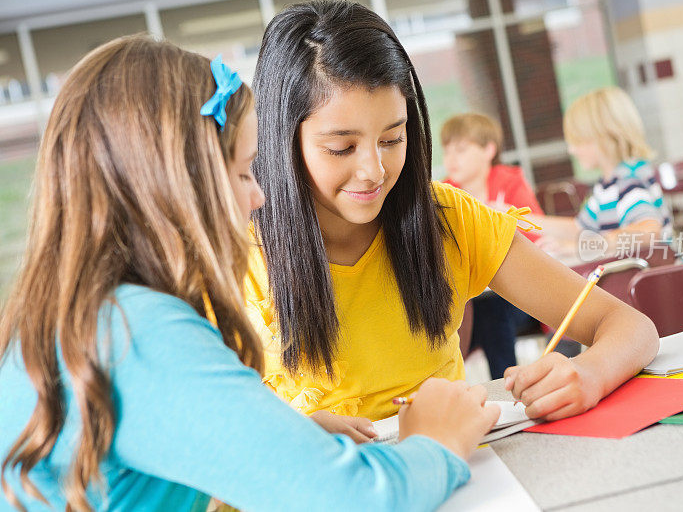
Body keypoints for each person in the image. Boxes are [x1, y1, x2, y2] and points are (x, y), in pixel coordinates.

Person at [0, 35, 500, 512]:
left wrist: (280, 441)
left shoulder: (82, 317)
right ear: (174, 186)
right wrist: (438, 441)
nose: (259, 195)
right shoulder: (138, 331)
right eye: (243, 174)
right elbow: (362, 500)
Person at [245, 0, 659, 444]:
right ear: (282, 140)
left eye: (392, 138)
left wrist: (589, 374)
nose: (374, 170)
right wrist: (285, 436)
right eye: (342, 148)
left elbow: (632, 328)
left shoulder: (448, 220)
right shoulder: (232, 253)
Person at [440, 112, 545, 379]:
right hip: (471, 301)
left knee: (491, 312)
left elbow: (535, 234)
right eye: (447, 151)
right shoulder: (444, 193)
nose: (451, 159)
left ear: (489, 150)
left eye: (461, 150)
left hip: (521, 297)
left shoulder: (509, 182)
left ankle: (505, 384)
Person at [527, 86, 673, 257]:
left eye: (577, 141)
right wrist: (518, 219)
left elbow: (649, 231)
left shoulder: (627, 180)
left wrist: (582, 247)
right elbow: (579, 228)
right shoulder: (607, 186)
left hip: (657, 280)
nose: (571, 150)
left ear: (603, 138)